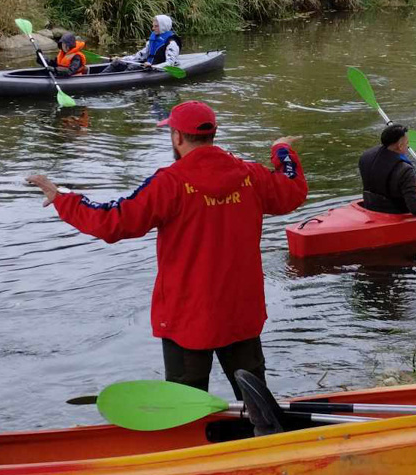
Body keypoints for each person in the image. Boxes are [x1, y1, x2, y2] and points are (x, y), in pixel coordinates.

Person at [26, 101, 306, 399]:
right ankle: (266, 439)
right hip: (240, 313)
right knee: (256, 401)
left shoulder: (169, 184)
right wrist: (281, 150)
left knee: (185, 408)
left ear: (177, 137)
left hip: (187, 317)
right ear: (213, 134)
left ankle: (193, 442)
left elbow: (113, 221)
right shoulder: (251, 176)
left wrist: (63, 199)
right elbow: (292, 189)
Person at [101, 14, 181, 74]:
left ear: (164, 26)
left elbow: (170, 63)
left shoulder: (172, 43)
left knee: (132, 67)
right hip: (145, 66)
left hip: (154, 68)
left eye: (156, 26)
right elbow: (139, 55)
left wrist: (154, 66)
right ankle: (101, 77)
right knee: (117, 62)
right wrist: (122, 58)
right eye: (153, 26)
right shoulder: (153, 39)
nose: (153, 28)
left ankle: (115, 82)